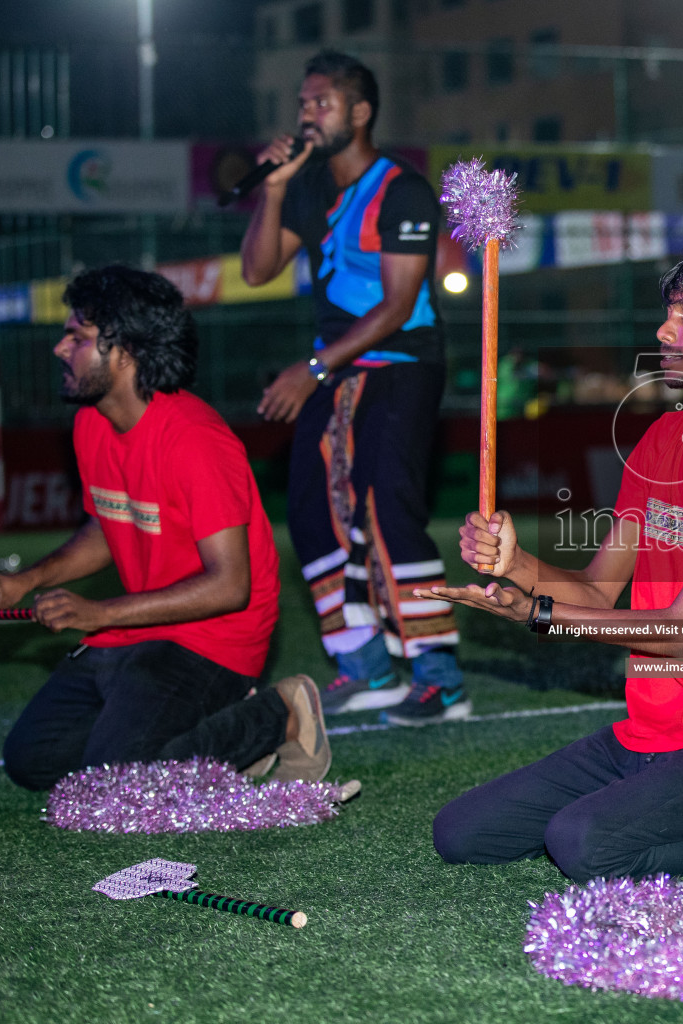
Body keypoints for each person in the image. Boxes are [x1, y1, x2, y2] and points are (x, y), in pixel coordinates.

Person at [428, 242, 683, 882]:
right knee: (460, 834)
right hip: (652, 732)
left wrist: (540, 615)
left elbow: (680, 634)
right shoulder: (661, 440)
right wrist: (517, 566)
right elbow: (600, 593)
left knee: (583, 846)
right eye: (668, 314)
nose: (663, 330)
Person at [0, 266, 328, 790]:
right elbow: (107, 527)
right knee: (34, 761)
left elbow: (230, 587)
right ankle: (205, 740)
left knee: (118, 780)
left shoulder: (195, 440)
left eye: (77, 336)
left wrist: (97, 611)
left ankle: (279, 714)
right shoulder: (91, 422)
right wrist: (28, 581)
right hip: (135, 627)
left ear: (124, 351)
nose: (59, 348)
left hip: (212, 641)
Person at [239, 50, 465, 724]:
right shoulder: (307, 187)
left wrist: (308, 372)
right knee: (311, 512)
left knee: (384, 509)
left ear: (360, 111)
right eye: (303, 103)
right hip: (335, 370)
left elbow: (397, 306)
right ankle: (365, 666)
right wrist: (274, 186)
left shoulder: (402, 189)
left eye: (322, 102)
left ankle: (438, 675)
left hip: (401, 365)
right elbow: (256, 270)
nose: (307, 114)